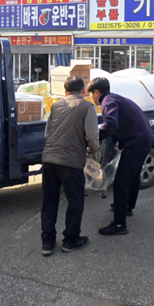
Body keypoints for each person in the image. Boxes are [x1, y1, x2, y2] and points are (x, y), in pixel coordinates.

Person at [40, 76, 99, 256]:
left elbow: (47, 133)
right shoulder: (87, 107)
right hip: (71, 162)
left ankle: (47, 243)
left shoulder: (55, 106)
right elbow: (92, 136)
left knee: (49, 202)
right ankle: (70, 241)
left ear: (65, 92)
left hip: (49, 160)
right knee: (75, 201)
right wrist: (93, 150)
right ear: (83, 91)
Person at [87, 77, 153, 236]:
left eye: (90, 94)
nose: (90, 98)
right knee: (133, 176)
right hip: (143, 139)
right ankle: (127, 207)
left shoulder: (107, 102)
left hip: (136, 142)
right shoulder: (114, 98)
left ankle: (119, 224)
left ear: (96, 92)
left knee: (121, 182)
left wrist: (94, 138)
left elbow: (111, 124)